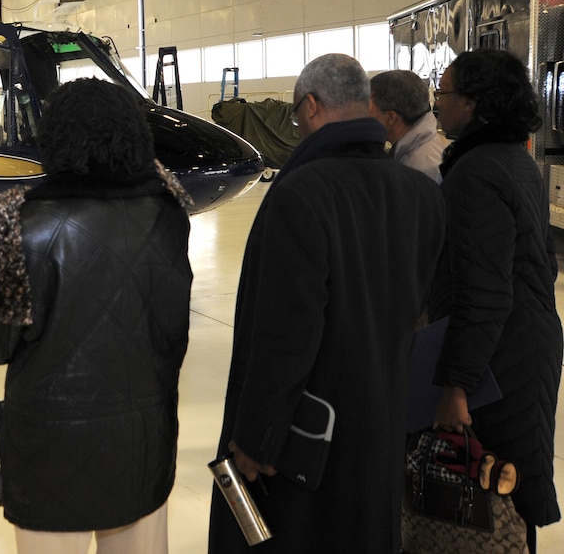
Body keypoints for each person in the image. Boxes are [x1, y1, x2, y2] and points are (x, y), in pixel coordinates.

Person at [207, 54, 445, 553]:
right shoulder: (418, 194)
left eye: (296, 116)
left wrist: (256, 439)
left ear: (311, 106)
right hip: (380, 426)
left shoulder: (303, 192)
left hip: (310, 443)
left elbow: (285, 335)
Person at [0, 78, 194, 554]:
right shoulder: (170, 210)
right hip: (142, 448)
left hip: (50, 458)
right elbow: (174, 331)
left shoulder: (14, 218)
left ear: (54, 137)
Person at [429, 48, 562, 550]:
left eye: (444, 93)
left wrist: (457, 385)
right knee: (511, 483)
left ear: (476, 104)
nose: (437, 103)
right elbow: (540, 266)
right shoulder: (513, 159)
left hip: (502, 362)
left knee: (497, 485)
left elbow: (483, 293)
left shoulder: (475, 173)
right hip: (527, 344)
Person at [369, 69, 449, 182]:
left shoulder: (419, 168)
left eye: (369, 108)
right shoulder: (419, 148)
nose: (364, 116)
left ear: (391, 118)